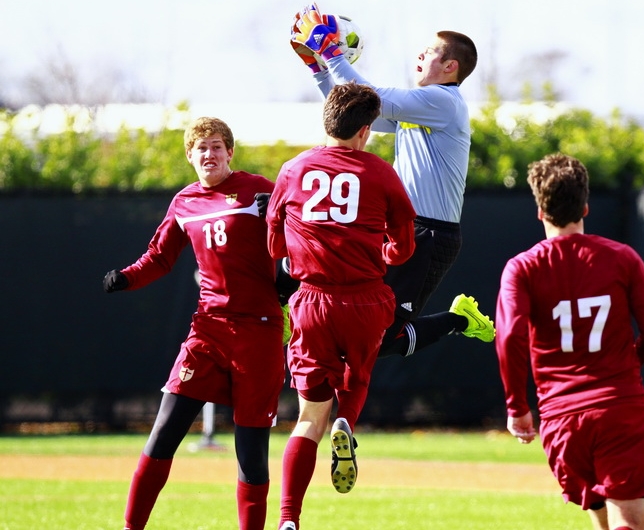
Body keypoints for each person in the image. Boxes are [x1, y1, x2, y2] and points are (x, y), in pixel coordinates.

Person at [102, 117, 284, 530]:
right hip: (208, 330)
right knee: (164, 432)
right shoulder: (184, 202)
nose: (209, 154)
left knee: (251, 451)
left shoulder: (259, 189)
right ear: (189, 155)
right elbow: (160, 257)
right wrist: (127, 277)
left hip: (258, 330)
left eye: (217, 146)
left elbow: (297, 232)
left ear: (229, 152)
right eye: (201, 147)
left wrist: (289, 257)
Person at [288, 3, 494, 360]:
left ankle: (457, 320)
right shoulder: (423, 106)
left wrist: (332, 54)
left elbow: (372, 99)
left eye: (430, 52)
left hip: (429, 236)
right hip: (399, 229)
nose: (419, 54)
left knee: (380, 338)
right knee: (349, 317)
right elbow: (354, 113)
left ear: (450, 67)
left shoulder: (443, 102)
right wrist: (318, 68)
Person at [265, 81, 417, 530]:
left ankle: (289, 520)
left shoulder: (293, 170)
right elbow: (403, 247)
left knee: (308, 417)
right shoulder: (381, 173)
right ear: (366, 131)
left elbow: (273, 241)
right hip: (367, 297)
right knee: (358, 374)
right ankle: (347, 422)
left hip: (312, 299)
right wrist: (384, 252)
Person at [494, 153, 644, 530]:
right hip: (621, 408)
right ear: (586, 206)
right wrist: (627, 366)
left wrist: (517, 406)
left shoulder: (522, 268)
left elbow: (510, 336)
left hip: (562, 419)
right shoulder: (622, 258)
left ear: (540, 211)